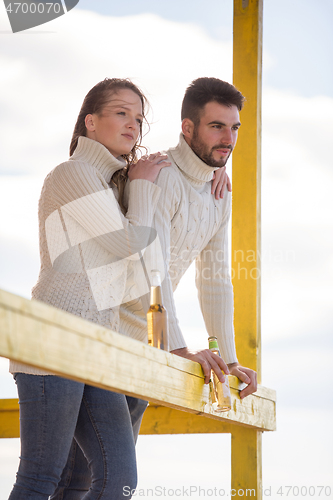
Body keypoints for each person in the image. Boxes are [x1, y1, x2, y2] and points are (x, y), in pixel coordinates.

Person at [49, 77, 257, 500]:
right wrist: (178, 349)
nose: (228, 139)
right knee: (96, 480)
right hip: (113, 340)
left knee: (85, 481)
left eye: (234, 128)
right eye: (216, 127)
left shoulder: (219, 192)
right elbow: (150, 269)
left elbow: (214, 279)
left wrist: (229, 358)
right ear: (187, 127)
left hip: (146, 347)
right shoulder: (159, 177)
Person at [8, 78, 174, 500]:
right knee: (42, 478)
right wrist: (141, 186)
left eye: (139, 118)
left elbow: (147, 266)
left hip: (100, 348)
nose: (133, 124)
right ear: (90, 121)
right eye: (121, 112)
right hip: (52, 342)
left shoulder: (115, 186)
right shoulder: (73, 174)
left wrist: (213, 174)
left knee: (115, 479)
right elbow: (126, 246)